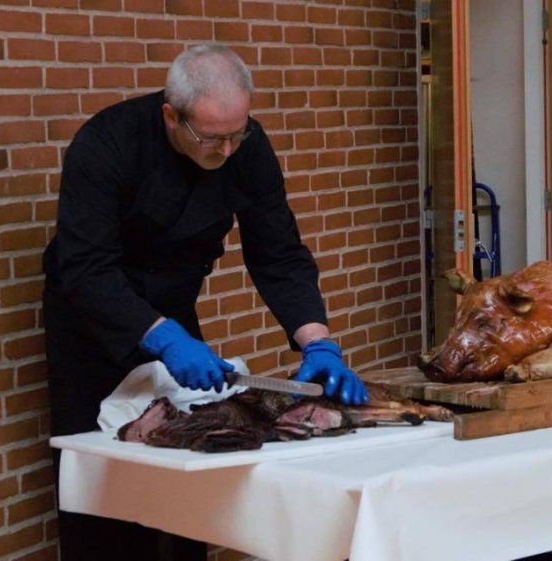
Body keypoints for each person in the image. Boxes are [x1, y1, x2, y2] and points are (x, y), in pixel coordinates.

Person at [42, 44, 370, 561]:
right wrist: (162, 337)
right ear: (171, 116)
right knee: (106, 489)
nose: (228, 150)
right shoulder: (106, 143)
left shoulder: (246, 147)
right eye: (212, 139)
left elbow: (278, 252)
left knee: (190, 466)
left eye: (238, 134)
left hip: (175, 311)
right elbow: (86, 268)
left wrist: (317, 340)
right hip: (94, 323)